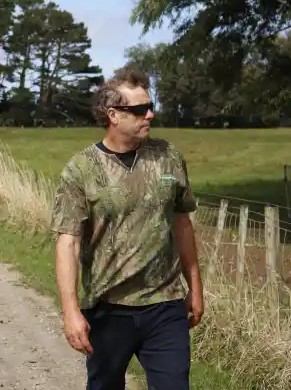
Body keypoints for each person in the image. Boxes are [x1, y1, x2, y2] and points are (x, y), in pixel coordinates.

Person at [51, 67, 204, 390]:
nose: (149, 115)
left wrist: (195, 287)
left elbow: (182, 223)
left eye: (150, 107)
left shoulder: (168, 157)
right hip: (109, 310)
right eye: (138, 110)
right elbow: (68, 243)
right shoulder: (81, 170)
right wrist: (70, 311)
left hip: (165, 305)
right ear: (113, 115)